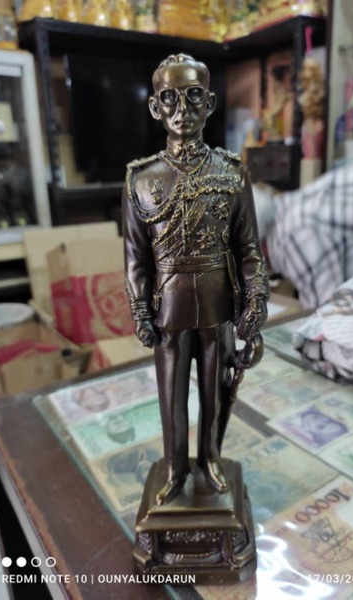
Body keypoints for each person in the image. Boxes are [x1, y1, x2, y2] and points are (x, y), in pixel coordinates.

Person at [123, 54, 269, 505]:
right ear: (155, 107)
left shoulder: (231, 172)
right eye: (170, 98)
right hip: (167, 308)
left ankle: (210, 458)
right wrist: (140, 312)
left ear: (210, 104)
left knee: (214, 393)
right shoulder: (141, 179)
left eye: (192, 96)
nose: (182, 109)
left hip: (218, 304)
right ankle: (175, 467)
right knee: (170, 396)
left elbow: (248, 249)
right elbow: (136, 258)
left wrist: (255, 302)